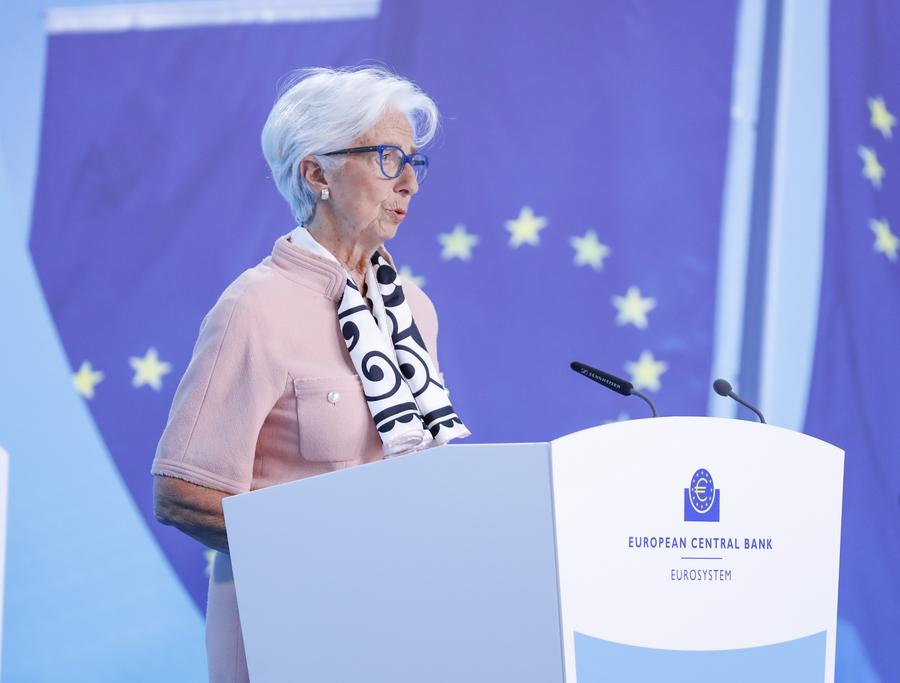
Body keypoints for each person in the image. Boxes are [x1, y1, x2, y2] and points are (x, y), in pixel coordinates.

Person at [151, 66, 469, 683]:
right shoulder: (254, 307)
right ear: (317, 174)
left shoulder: (414, 310)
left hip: (398, 622)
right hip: (287, 629)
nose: (409, 182)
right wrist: (324, 553)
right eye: (387, 159)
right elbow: (182, 494)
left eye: (414, 163)